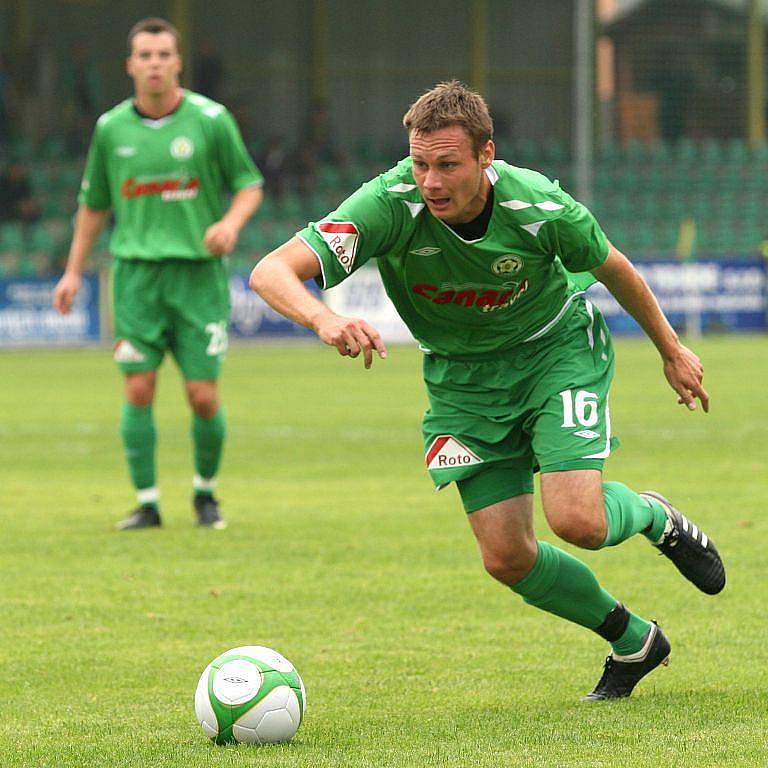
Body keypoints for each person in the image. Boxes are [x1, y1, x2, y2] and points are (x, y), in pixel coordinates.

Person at [249, 81, 725, 700]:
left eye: (448, 165)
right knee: (506, 558)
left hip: (556, 355)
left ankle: (653, 514)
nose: (431, 181)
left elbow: (615, 268)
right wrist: (324, 318)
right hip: (462, 385)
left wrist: (671, 350)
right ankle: (635, 641)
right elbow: (271, 270)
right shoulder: (387, 204)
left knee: (577, 519)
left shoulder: (538, 206)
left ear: (486, 157)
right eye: (421, 163)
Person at [53, 18, 264, 531]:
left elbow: (249, 183)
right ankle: (147, 503)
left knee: (202, 395)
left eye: (163, 54)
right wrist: (72, 272)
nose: (154, 64)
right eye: (144, 55)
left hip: (198, 278)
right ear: (130, 65)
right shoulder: (110, 129)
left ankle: (205, 495)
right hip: (136, 277)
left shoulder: (211, 120)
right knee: (138, 389)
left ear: (177, 62)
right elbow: (94, 206)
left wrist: (230, 224)